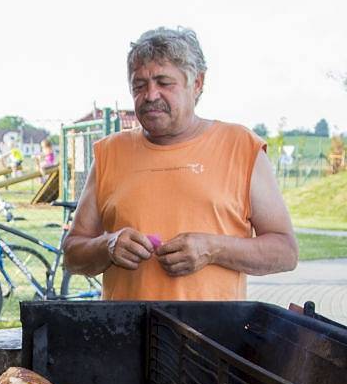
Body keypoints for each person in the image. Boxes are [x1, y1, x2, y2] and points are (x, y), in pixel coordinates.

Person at [63, 26, 297, 300]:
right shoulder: (110, 152)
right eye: (139, 85)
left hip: (210, 338)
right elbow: (72, 253)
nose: (150, 95)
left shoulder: (241, 146)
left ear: (196, 83)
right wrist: (108, 246)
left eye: (164, 82)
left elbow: (285, 251)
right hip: (124, 336)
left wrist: (213, 249)